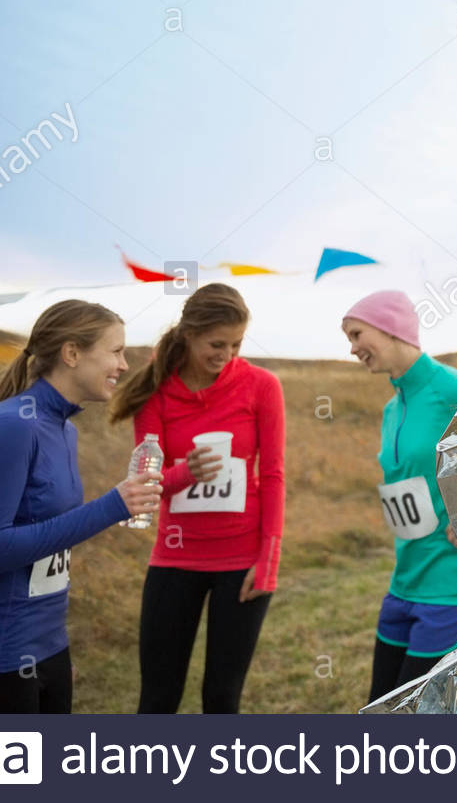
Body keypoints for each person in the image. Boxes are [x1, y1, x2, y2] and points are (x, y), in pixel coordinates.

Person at [0, 301, 161, 713]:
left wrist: (53, 651)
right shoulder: (10, 427)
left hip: (48, 647)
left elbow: (48, 544)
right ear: (72, 353)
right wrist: (111, 506)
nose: (124, 363)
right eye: (115, 351)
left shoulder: (64, 430)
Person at [107, 283, 285, 713]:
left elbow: (274, 474)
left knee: (222, 698)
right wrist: (186, 472)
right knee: (158, 697)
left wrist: (268, 559)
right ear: (188, 333)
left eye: (237, 344)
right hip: (174, 559)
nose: (226, 354)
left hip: (241, 562)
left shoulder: (261, 385)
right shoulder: (156, 389)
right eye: (216, 343)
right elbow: (144, 482)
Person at [342, 291, 457, 702]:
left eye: (357, 334)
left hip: (456, 587)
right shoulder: (394, 407)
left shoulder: (455, 389)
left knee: (420, 717)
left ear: (390, 328)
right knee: (378, 705)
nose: (352, 348)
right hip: (405, 581)